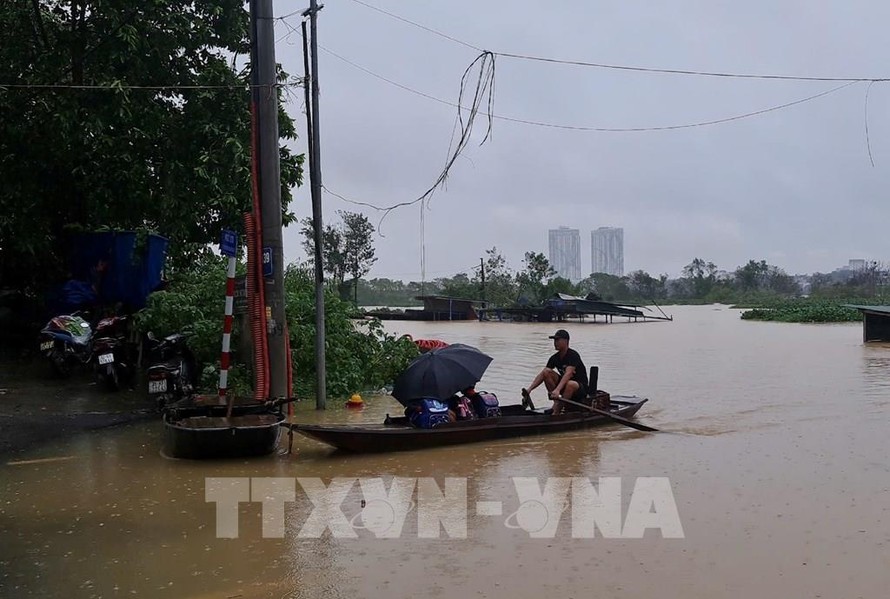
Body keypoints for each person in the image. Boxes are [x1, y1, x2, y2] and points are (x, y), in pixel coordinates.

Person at [522, 329, 588, 415]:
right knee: (547, 372)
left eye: (557, 340)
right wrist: (529, 389)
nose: (555, 343)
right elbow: (543, 374)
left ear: (566, 341)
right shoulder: (554, 358)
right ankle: (556, 403)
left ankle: (556, 412)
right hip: (564, 386)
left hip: (580, 388)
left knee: (570, 384)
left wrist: (557, 390)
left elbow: (568, 373)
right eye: (554, 340)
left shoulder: (573, 355)